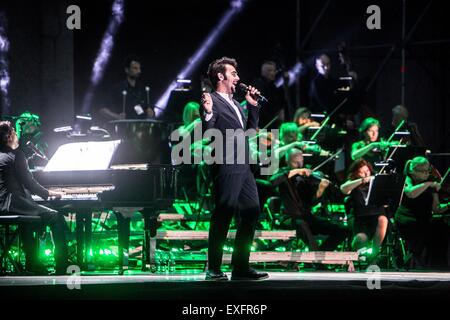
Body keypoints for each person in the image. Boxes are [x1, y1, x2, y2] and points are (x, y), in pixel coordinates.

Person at [200, 57, 268, 281]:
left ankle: (240, 267)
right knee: (223, 214)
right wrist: (207, 113)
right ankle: (214, 268)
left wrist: (253, 105)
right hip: (226, 164)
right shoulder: (212, 100)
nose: (238, 78)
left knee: (252, 210)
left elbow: (250, 133)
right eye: (234, 73)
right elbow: (209, 132)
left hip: (244, 165)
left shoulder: (236, 103)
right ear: (221, 76)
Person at [0, 121, 68, 275]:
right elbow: (29, 183)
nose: (17, 135)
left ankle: (33, 263)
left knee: (28, 221)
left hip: (2, 204)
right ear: (9, 136)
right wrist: (49, 193)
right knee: (55, 217)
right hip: (12, 203)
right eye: (15, 132)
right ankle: (62, 266)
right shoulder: (16, 155)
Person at [270, 148, 350, 252]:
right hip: (289, 218)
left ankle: (321, 253)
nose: (299, 165)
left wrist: (320, 190)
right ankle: (317, 258)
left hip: (307, 217)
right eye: (295, 162)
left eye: (301, 162)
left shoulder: (306, 179)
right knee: (302, 224)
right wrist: (297, 171)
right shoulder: (282, 173)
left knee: (342, 230)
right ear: (287, 161)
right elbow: (272, 181)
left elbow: (312, 202)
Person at [395, 156, 450, 269]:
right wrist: (429, 184)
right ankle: (420, 263)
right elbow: (410, 193)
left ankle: (437, 265)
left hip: (423, 219)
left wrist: (449, 205)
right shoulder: (408, 179)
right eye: (423, 171)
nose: (426, 173)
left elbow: (436, 209)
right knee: (428, 231)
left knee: (443, 229)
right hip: (407, 219)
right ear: (413, 170)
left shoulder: (430, 182)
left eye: (427, 170)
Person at [340, 159, 388, 261]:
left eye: (368, 171)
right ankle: (358, 254)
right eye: (362, 172)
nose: (366, 174)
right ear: (356, 173)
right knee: (361, 239)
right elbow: (344, 189)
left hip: (376, 216)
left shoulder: (375, 181)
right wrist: (362, 180)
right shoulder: (353, 182)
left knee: (383, 219)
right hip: (360, 218)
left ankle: (375, 253)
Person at [99, 55, 155, 121]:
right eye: (135, 68)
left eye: (139, 69)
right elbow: (102, 110)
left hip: (141, 128)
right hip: (123, 128)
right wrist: (116, 116)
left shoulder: (143, 90)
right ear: (127, 70)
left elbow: (151, 113)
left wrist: (152, 113)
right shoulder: (117, 89)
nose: (139, 71)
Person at [250, 60, 287, 129]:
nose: (273, 73)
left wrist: (280, 111)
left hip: (272, 123)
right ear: (263, 72)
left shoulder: (273, 86)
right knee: (263, 139)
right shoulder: (257, 85)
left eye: (274, 70)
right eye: (270, 70)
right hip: (262, 124)